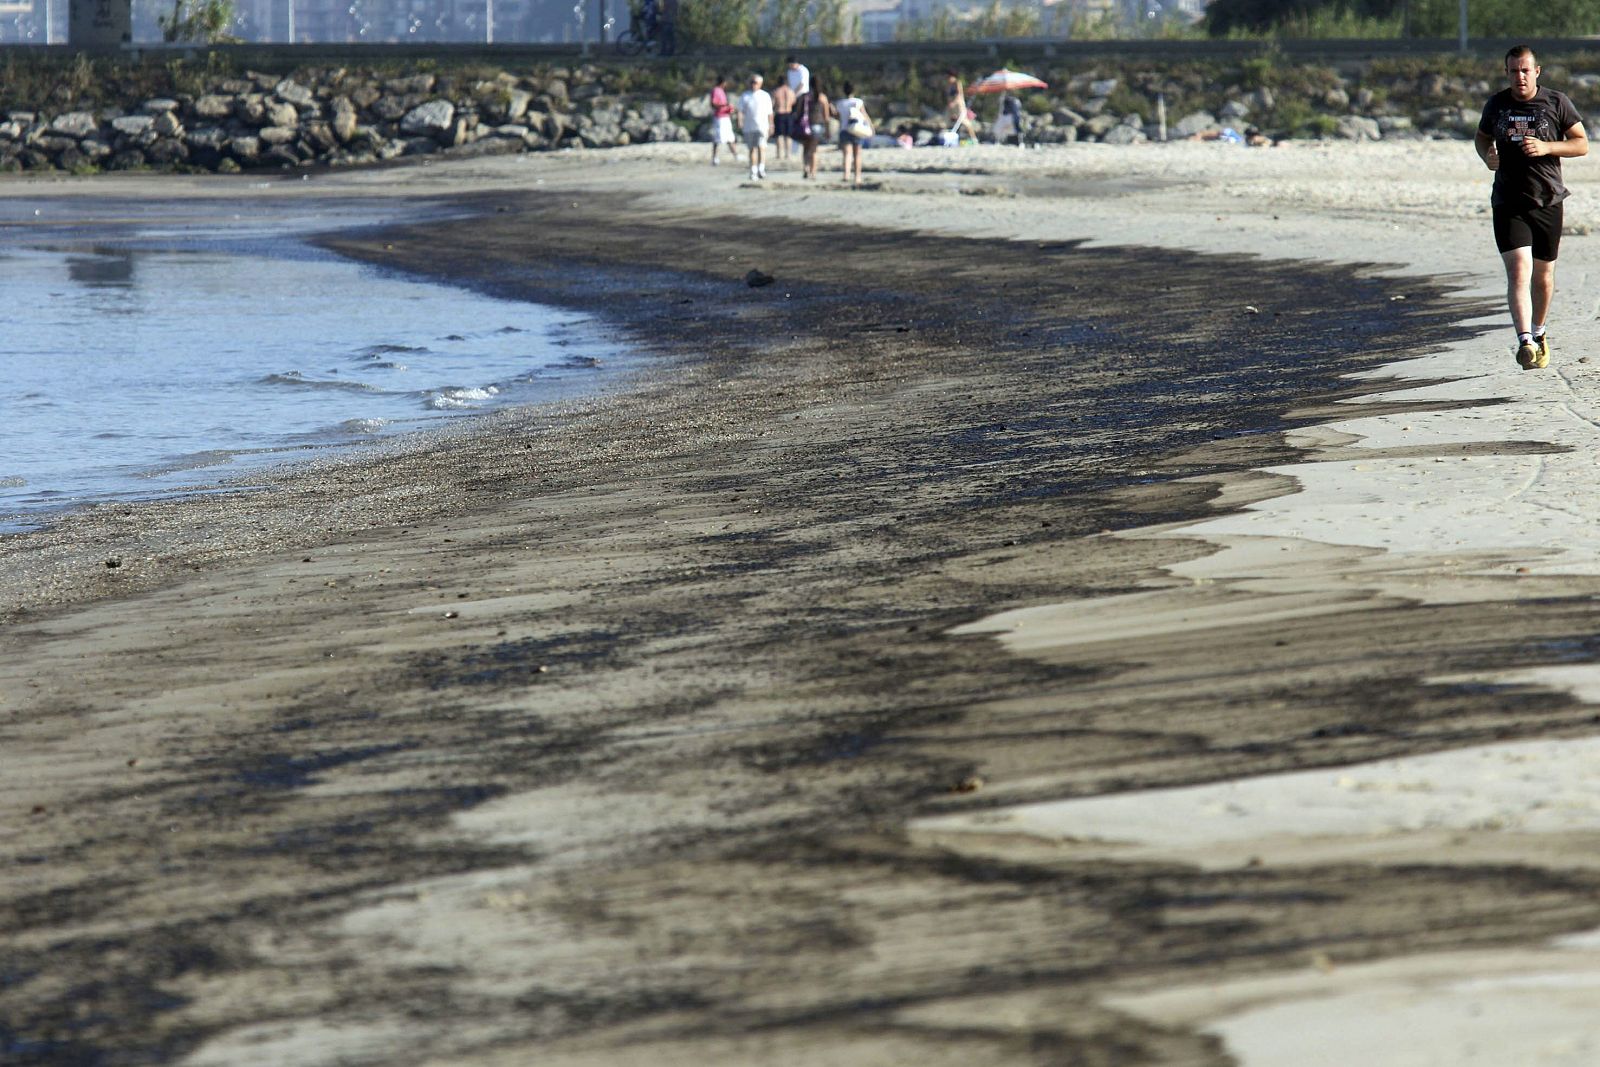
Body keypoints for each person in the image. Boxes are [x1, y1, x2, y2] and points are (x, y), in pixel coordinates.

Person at [1476, 44, 1589, 370]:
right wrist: (1488, 156)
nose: (1520, 77)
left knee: (1543, 276)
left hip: (1548, 200)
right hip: (1508, 202)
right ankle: (1524, 340)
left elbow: (1581, 144)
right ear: (1507, 73)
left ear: (1536, 72)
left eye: (1525, 70)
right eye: (1514, 71)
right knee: (1519, 270)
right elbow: (1481, 138)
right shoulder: (1497, 105)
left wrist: (1546, 146)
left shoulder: (1556, 102)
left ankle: (1539, 333)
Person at [737, 72, 775, 181]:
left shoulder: (765, 95)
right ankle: (753, 170)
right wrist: (740, 121)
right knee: (752, 149)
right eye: (752, 82)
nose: (754, 84)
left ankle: (761, 169)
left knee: (762, 147)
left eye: (756, 83)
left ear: (760, 83)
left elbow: (770, 112)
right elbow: (740, 110)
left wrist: (771, 125)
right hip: (749, 126)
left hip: (762, 126)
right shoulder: (745, 95)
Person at [834, 81, 869, 186]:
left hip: (844, 129)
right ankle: (857, 177)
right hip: (857, 129)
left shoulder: (840, 103)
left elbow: (838, 117)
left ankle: (846, 174)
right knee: (857, 154)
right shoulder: (858, 102)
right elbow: (865, 115)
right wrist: (870, 127)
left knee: (847, 154)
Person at [799, 78, 831, 180]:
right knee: (813, 150)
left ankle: (806, 167)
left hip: (805, 126)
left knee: (805, 148)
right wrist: (827, 130)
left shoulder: (804, 97)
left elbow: (799, 112)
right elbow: (826, 117)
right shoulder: (822, 98)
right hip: (817, 125)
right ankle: (813, 172)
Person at [708, 74, 737, 167]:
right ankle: (715, 157)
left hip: (725, 116)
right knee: (718, 138)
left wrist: (728, 108)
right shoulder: (716, 90)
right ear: (723, 82)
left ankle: (735, 154)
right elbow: (713, 104)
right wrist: (724, 106)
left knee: (729, 136)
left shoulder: (722, 91)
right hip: (719, 117)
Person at [945, 70, 977, 143]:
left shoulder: (957, 83)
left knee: (964, 121)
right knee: (948, 120)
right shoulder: (948, 85)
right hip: (952, 106)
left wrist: (954, 103)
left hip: (959, 105)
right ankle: (952, 138)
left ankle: (974, 138)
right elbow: (948, 96)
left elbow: (959, 95)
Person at [772, 76, 796, 165]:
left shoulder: (776, 91)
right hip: (789, 113)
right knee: (788, 135)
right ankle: (788, 154)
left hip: (779, 113)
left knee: (779, 135)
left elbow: (772, 103)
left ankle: (779, 154)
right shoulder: (791, 91)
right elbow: (793, 102)